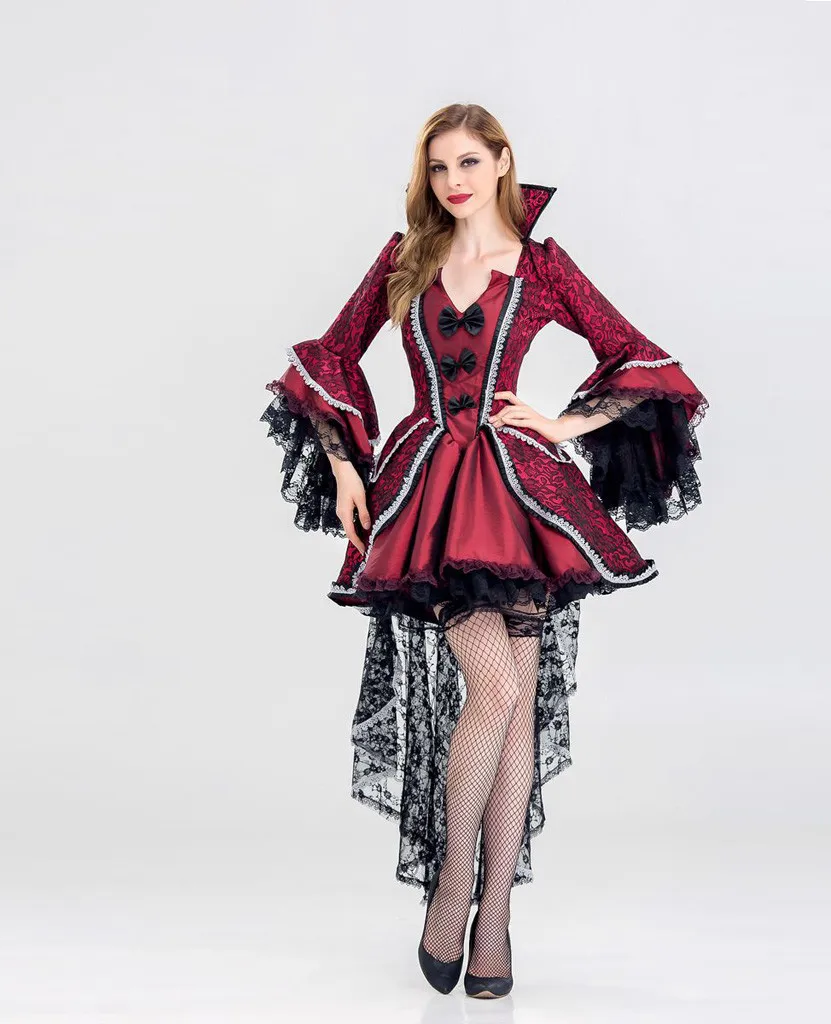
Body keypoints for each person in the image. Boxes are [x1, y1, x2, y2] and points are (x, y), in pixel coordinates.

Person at [259, 102, 708, 998]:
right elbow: (333, 355)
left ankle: (493, 916)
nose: (453, 181)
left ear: (502, 161)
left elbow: (638, 355)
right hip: (431, 491)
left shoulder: (542, 267)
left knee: (517, 705)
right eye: (438, 167)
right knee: (496, 690)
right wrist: (344, 467)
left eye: (468, 162)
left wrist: (562, 423)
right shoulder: (406, 259)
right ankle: (450, 887)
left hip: (515, 493)